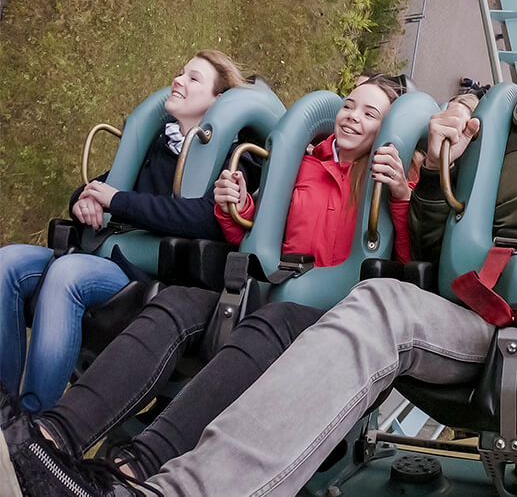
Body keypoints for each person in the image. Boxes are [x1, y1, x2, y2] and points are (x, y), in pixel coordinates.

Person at [4, 6, 517, 497]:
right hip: (476, 311)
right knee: (380, 301)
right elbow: (431, 245)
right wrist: (436, 172)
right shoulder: (492, 132)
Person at [2, 75, 411, 488]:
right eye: (349, 105)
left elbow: (404, 265)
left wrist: (400, 197)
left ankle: (129, 472)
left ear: (387, 129)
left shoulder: (388, 184)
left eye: (369, 113)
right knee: (177, 302)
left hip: (323, 317)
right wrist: (237, 206)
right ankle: (48, 437)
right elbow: (250, 236)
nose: (352, 116)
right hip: (264, 289)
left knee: (267, 325)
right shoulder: (300, 163)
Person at [0, 51, 246, 413]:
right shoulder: (157, 142)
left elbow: (205, 219)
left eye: (193, 78)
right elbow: (100, 187)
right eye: (180, 73)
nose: (178, 80)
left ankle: (33, 421)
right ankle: (4, 408)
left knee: (67, 273)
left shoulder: (235, 159)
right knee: (7, 262)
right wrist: (83, 201)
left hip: (148, 275)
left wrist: (117, 201)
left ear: (219, 100)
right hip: (101, 252)